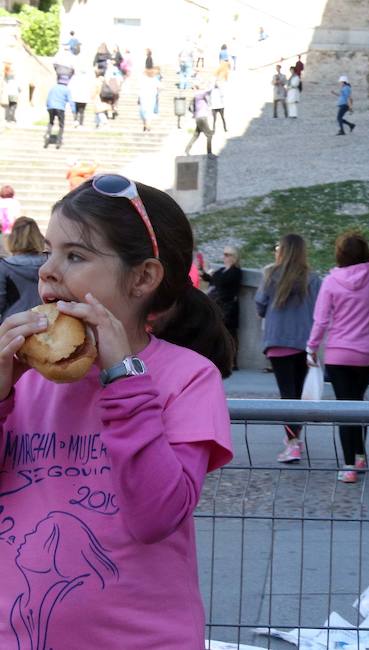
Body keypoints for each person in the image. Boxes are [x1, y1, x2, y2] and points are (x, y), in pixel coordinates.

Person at [0, 174, 234, 648]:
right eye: (49, 250)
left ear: (143, 278)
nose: (47, 270)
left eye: (75, 256)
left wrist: (124, 381)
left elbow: (156, 515)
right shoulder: (24, 380)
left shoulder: (187, 378)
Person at [306, 232, 369, 483]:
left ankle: (349, 465)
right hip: (366, 353)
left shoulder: (331, 281)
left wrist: (312, 347)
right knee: (359, 403)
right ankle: (359, 455)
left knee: (344, 407)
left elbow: (322, 320)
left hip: (338, 353)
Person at [255, 234, 321, 463]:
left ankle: (292, 443)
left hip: (278, 341)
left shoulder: (271, 275)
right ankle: (294, 439)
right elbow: (318, 312)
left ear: (282, 251)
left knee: (287, 395)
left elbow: (260, 304)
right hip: (303, 341)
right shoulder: (312, 278)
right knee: (298, 396)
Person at [200, 246, 242, 369]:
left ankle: (232, 362)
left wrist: (211, 276)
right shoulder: (221, 270)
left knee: (230, 335)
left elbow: (222, 282)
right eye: (224, 254)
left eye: (227, 254)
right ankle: (220, 360)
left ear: (234, 257)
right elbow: (212, 279)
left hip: (229, 307)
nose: (224, 257)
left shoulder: (236, 272)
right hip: (219, 306)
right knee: (218, 333)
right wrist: (205, 272)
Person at [0, 217, 44, 320]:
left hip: (14, 324)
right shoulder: (49, 263)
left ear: (13, 238)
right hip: (45, 320)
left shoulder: (4, 266)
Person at [185, 85, 214, 156]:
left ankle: (187, 149)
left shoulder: (195, 97)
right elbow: (209, 89)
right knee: (209, 135)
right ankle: (209, 153)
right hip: (202, 118)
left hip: (198, 117)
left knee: (196, 135)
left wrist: (194, 114)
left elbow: (189, 108)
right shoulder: (200, 94)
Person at [45, 78, 71, 149]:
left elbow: (48, 98)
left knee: (50, 122)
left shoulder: (53, 88)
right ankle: (58, 142)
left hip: (51, 107)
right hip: (60, 108)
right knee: (61, 125)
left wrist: (47, 106)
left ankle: (47, 136)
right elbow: (70, 100)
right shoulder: (66, 89)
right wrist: (73, 110)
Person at [138, 67, 160, 132]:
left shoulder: (143, 79)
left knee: (143, 111)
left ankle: (146, 124)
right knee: (149, 112)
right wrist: (157, 92)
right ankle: (148, 125)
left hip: (144, 97)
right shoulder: (154, 79)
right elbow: (160, 87)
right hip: (151, 97)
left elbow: (140, 88)